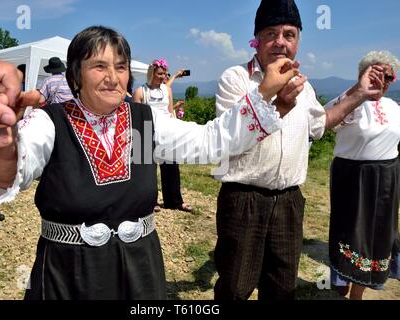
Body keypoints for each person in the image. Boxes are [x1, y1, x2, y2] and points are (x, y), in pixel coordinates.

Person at [0, 25, 300, 300]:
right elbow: (8, 178)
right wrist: (0, 142)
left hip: (140, 270)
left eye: (121, 66)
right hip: (70, 272)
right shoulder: (50, 122)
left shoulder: (141, 123)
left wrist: (263, 95)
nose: (113, 77)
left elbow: (212, 141)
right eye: (99, 66)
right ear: (75, 74)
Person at [213, 0, 384, 300]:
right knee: (234, 288)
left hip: (290, 202)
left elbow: (320, 124)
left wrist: (359, 93)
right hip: (243, 200)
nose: (280, 42)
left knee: (282, 288)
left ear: (298, 41)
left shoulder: (304, 87)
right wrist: (277, 105)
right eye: (271, 33)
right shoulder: (235, 79)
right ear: (257, 39)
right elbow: (229, 138)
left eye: (289, 34)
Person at [326, 51, 400, 300]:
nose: (385, 81)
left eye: (390, 76)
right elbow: (320, 120)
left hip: (387, 180)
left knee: (377, 237)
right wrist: (357, 90)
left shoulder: (393, 106)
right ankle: (341, 279)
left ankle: (358, 292)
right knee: (351, 234)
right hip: (353, 178)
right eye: (379, 74)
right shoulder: (350, 103)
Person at [132, 59, 192, 212]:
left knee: (171, 167)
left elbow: (170, 111)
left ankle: (175, 201)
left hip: (166, 132)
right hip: (147, 132)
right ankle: (150, 201)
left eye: (164, 73)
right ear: (152, 73)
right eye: (160, 73)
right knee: (148, 170)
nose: (163, 76)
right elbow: (135, 116)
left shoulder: (167, 90)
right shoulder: (140, 91)